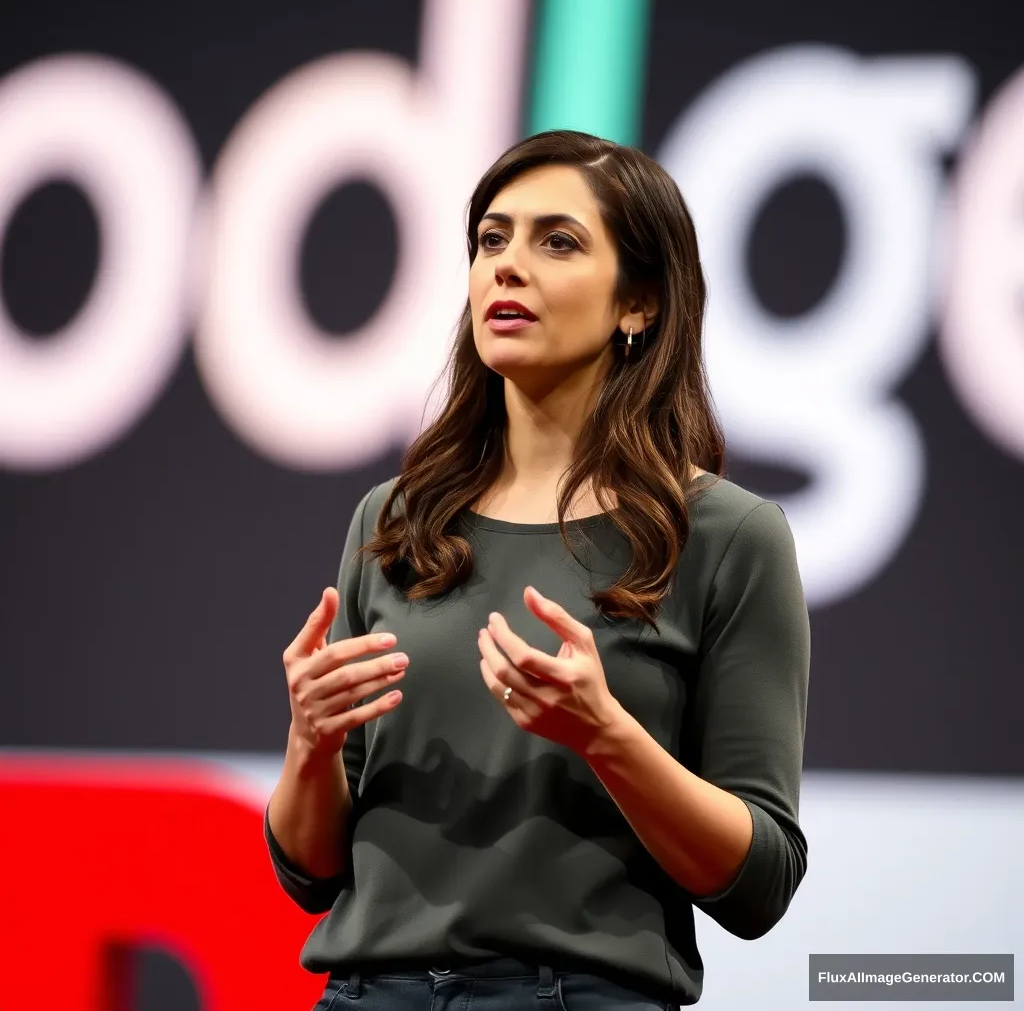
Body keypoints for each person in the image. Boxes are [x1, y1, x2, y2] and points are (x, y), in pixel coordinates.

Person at [265, 129, 810, 1011]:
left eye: (557, 241)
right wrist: (310, 741)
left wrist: (605, 734)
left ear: (639, 304)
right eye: (491, 239)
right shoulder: (398, 518)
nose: (507, 267)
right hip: (366, 993)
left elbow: (759, 882)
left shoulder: (726, 535)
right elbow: (313, 875)